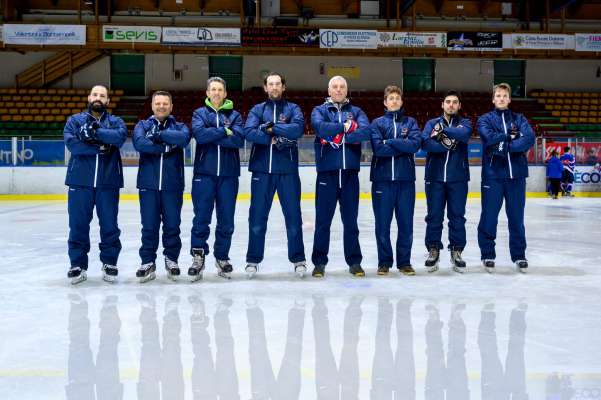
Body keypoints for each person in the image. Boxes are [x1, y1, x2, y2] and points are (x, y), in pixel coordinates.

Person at [243, 72, 306, 278]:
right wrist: (274, 136)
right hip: (262, 171)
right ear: (265, 88)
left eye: (278, 84)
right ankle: (253, 260)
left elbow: (297, 130)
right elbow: (249, 132)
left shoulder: (293, 108)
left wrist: (270, 127)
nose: (274, 87)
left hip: (287, 171)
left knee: (293, 217)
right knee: (257, 218)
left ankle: (298, 259)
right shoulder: (257, 109)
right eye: (271, 84)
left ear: (283, 87)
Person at [63, 85, 127, 284]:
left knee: (109, 225)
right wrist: (100, 147)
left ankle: (109, 262)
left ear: (108, 101)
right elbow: (73, 145)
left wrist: (93, 133)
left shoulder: (115, 121)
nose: (98, 98)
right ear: (89, 97)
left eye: (102, 95)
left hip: (108, 182)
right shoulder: (74, 120)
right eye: (95, 94)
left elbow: (119, 137)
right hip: (80, 182)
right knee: (78, 225)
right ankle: (77, 264)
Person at [310, 76, 371, 277]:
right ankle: (319, 262)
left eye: (342, 86)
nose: (338, 90)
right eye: (334, 87)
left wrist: (339, 134)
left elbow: (365, 132)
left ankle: (354, 262)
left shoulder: (357, 111)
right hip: (327, 174)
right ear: (329, 90)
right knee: (323, 222)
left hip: (349, 176)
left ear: (346, 90)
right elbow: (320, 128)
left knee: (351, 222)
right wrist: (346, 127)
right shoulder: (319, 110)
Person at [132, 91, 191, 283]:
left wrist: (158, 135)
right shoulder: (142, 125)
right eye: (158, 103)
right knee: (149, 226)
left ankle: (171, 259)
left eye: (165, 103)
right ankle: (147, 261)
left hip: (172, 185)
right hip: (148, 185)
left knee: (172, 225)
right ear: (152, 105)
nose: (161, 106)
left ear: (171, 107)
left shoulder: (180, 126)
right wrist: (165, 147)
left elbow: (183, 139)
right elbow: (140, 143)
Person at [190, 77, 244, 280]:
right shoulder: (199, 113)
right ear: (207, 92)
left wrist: (213, 133)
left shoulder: (236, 115)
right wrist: (224, 130)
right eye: (213, 89)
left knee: (226, 220)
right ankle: (198, 256)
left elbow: (238, 140)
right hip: (204, 174)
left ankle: (222, 257)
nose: (216, 92)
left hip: (229, 176)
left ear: (225, 93)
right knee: (201, 218)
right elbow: (200, 136)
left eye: (220, 89)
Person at [477, 82, 535, 273]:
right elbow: (489, 139)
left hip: (516, 177)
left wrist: (506, 146)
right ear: (493, 99)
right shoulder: (485, 119)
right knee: (489, 217)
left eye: (504, 96)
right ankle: (487, 254)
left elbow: (528, 138)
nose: (501, 99)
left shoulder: (520, 118)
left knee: (516, 218)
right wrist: (511, 137)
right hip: (493, 176)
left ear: (509, 99)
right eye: (498, 96)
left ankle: (519, 255)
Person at [369, 85, 421, 276]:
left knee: (406, 224)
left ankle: (404, 262)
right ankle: (384, 262)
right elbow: (378, 150)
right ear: (385, 102)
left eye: (397, 98)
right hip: (382, 182)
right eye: (391, 98)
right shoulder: (377, 123)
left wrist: (389, 141)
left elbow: (415, 145)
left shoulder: (411, 123)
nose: (394, 101)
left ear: (401, 101)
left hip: (405, 181)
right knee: (382, 225)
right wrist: (402, 144)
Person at [421, 90, 472, 273]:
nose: (451, 105)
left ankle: (456, 250)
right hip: (434, 178)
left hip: (458, 178)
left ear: (459, 106)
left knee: (457, 216)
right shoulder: (431, 123)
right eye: (448, 102)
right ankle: (433, 249)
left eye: (455, 102)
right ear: (442, 105)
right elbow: (425, 143)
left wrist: (442, 132)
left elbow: (464, 135)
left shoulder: (465, 123)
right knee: (434, 216)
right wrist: (446, 145)